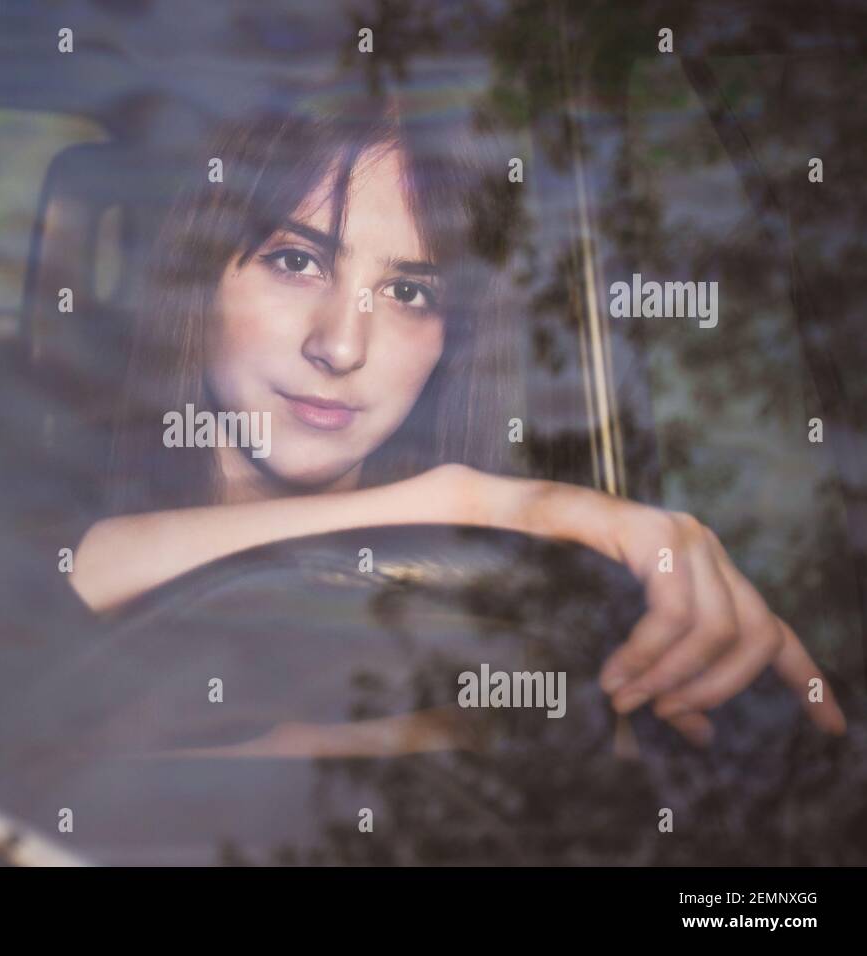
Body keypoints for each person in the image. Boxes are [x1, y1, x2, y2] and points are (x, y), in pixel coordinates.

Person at [66, 95, 846, 749]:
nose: (341, 345)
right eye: (297, 261)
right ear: (198, 278)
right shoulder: (28, 489)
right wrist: (471, 503)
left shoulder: (513, 626)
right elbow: (52, 588)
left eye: (411, 293)